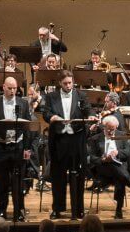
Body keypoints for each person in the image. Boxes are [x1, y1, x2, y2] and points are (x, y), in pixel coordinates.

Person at [40, 71, 94, 219]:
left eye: (70, 83)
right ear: (60, 83)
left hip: (77, 140)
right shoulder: (51, 96)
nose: (68, 86)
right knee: (58, 176)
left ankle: (78, 209)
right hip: (59, 140)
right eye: (65, 83)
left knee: (79, 175)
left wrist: (90, 115)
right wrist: (52, 117)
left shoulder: (81, 95)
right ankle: (58, 208)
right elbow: (45, 112)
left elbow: (88, 108)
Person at [0, 77, 34, 220]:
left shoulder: (23, 103)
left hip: (18, 147)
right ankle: (1, 211)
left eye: (15, 88)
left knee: (18, 182)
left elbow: (28, 128)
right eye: (10, 88)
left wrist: (27, 148)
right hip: (1, 146)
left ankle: (19, 211)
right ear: (3, 87)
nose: (13, 91)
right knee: (1, 182)